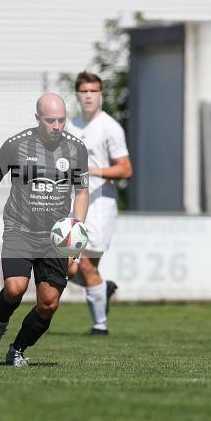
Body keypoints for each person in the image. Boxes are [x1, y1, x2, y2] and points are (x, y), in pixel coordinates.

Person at [0, 93, 90, 367]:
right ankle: (1, 321)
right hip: (20, 228)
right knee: (15, 289)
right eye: (50, 120)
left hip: (54, 236)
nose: (56, 126)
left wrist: (76, 227)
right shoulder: (16, 145)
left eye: (61, 120)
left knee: (49, 304)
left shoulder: (77, 149)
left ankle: (17, 349)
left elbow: (82, 190)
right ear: (37, 118)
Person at [65, 71, 133, 335]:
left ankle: (99, 326)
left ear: (101, 94)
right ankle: (102, 289)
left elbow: (126, 169)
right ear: (78, 95)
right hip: (76, 203)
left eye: (94, 91)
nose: (89, 96)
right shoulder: (71, 126)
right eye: (84, 91)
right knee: (66, 267)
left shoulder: (110, 127)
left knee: (86, 265)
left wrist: (93, 171)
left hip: (101, 206)